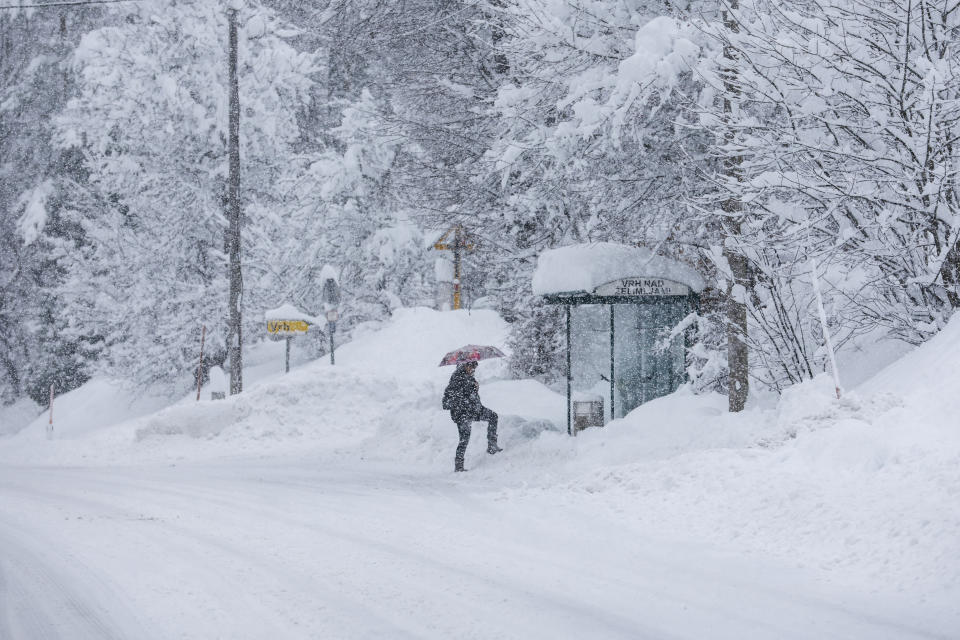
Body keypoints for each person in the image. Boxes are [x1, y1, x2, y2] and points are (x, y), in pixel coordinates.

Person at [442, 360, 501, 472]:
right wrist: (465, 396)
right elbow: (446, 403)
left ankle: (492, 445)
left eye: (475, 367)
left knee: (493, 416)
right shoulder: (456, 380)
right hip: (462, 414)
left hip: (474, 410)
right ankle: (459, 466)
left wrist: (475, 388)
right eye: (472, 367)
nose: (474, 370)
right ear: (465, 366)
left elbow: (472, 395)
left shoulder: (469, 378)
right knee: (464, 438)